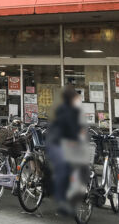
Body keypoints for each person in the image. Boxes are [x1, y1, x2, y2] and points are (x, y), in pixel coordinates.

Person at [46, 85, 83, 216]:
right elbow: (70, 128)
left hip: (62, 143)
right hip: (56, 144)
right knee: (63, 170)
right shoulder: (66, 110)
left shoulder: (68, 110)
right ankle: (61, 201)